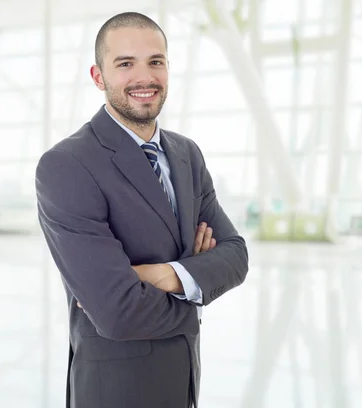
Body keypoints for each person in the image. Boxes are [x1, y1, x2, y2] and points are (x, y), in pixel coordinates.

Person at [35, 11, 249, 408]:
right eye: (125, 64)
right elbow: (117, 312)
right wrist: (194, 288)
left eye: (156, 61)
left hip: (183, 384)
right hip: (114, 391)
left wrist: (158, 275)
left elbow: (235, 256)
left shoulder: (186, 154)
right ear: (99, 77)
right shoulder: (67, 164)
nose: (144, 77)